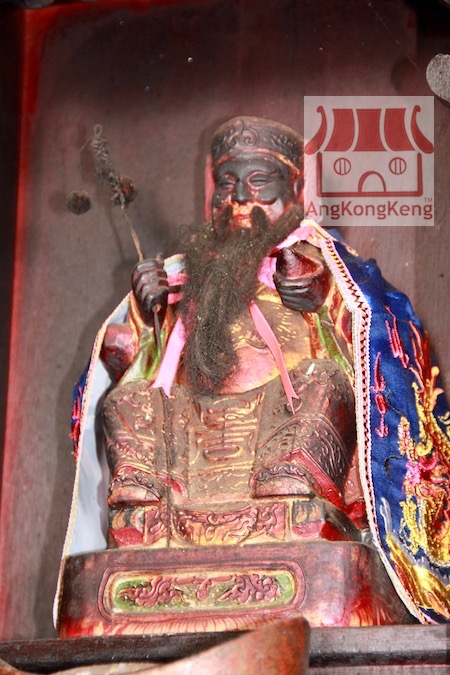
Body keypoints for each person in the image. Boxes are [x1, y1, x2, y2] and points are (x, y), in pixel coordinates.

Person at [63, 117, 450, 627]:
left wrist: (324, 304)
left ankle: (293, 494)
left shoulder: (329, 269)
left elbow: (387, 350)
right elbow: (132, 362)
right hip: (188, 440)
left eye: (259, 182)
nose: (241, 198)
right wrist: (141, 317)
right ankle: (145, 509)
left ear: (296, 190)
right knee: (125, 401)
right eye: (227, 183)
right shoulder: (184, 274)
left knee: (323, 382)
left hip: (280, 423)